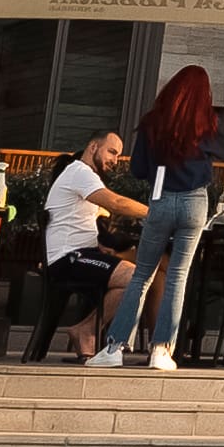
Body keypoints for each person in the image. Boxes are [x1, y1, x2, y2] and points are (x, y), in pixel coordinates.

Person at [94, 69, 219, 371]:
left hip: (161, 201)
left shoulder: (153, 123)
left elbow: (138, 169)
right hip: (195, 202)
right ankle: (162, 351)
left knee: (142, 274)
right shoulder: (208, 124)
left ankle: (114, 348)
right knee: (178, 275)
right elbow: (213, 161)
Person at [42, 129, 144, 363]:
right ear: (93, 147)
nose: (115, 160)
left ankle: (89, 332)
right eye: (112, 152)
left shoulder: (83, 175)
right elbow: (116, 203)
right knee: (135, 276)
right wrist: (156, 213)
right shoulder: (80, 171)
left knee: (138, 277)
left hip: (80, 255)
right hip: (68, 259)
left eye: (118, 155)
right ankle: (89, 331)